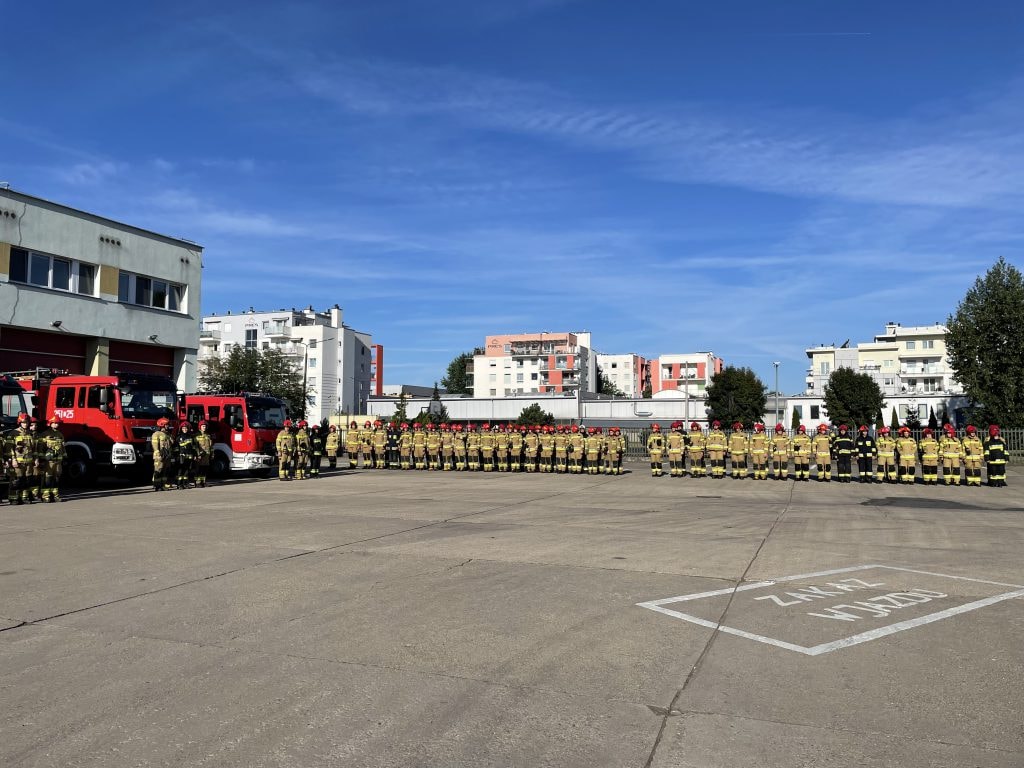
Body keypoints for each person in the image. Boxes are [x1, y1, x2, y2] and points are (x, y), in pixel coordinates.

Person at [37, 415, 66, 502]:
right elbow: (40, 448)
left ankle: (55, 495)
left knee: (56, 478)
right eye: (55, 423)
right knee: (47, 478)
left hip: (58, 461)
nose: (57, 425)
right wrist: (41, 459)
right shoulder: (45, 434)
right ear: (50, 423)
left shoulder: (60, 434)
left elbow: (63, 447)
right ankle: (45, 496)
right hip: (48, 461)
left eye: (58, 423)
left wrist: (64, 457)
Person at [152, 416, 177, 491]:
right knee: (159, 470)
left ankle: (163, 485)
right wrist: (158, 454)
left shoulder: (168, 434)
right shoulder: (156, 434)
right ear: (162, 425)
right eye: (167, 424)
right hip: (160, 456)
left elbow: (171, 443)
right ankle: (157, 485)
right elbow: (155, 445)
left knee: (165, 470)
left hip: (167, 455)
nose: (168, 426)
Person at [176, 421, 198, 489]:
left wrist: (195, 455)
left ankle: (185, 483)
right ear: (181, 429)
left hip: (189, 456)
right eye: (183, 428)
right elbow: (176, 448)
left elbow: (194, 447)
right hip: (181, 457)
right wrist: (177, 456)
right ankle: (179, 484)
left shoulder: (191, 437)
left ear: (188, 429)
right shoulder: (179, 437)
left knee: (187, 471)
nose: (185, 429)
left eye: (186, 428)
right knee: (180, 471)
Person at [194, 420, 214, 487]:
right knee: (199, 469)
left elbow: (211, 446)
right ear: (200, 427)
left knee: (205, 469)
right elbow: (195, 446)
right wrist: (197, 454)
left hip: (207, 456)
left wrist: (212, 454)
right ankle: (197, 483)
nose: (204, 427)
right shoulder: (196, 435)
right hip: (200, 455)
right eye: (203, 426)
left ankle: (203, 482)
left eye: (205, 426)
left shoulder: (208, 435)